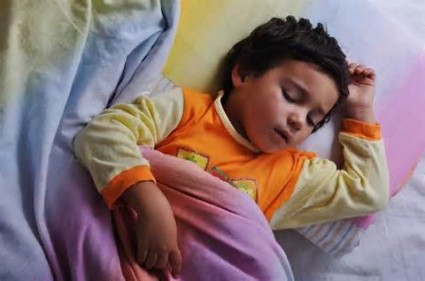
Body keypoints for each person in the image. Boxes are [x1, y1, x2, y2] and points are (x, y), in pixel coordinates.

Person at [73, 16, 389, 278]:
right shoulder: (187, 110)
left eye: (312, 120)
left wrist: (360, 111)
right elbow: (104, 133)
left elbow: (367, 193)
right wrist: (148, 201)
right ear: (244, 72)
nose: (297, 121)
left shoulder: (290, 174)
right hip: (121, 251)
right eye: (291, 96)